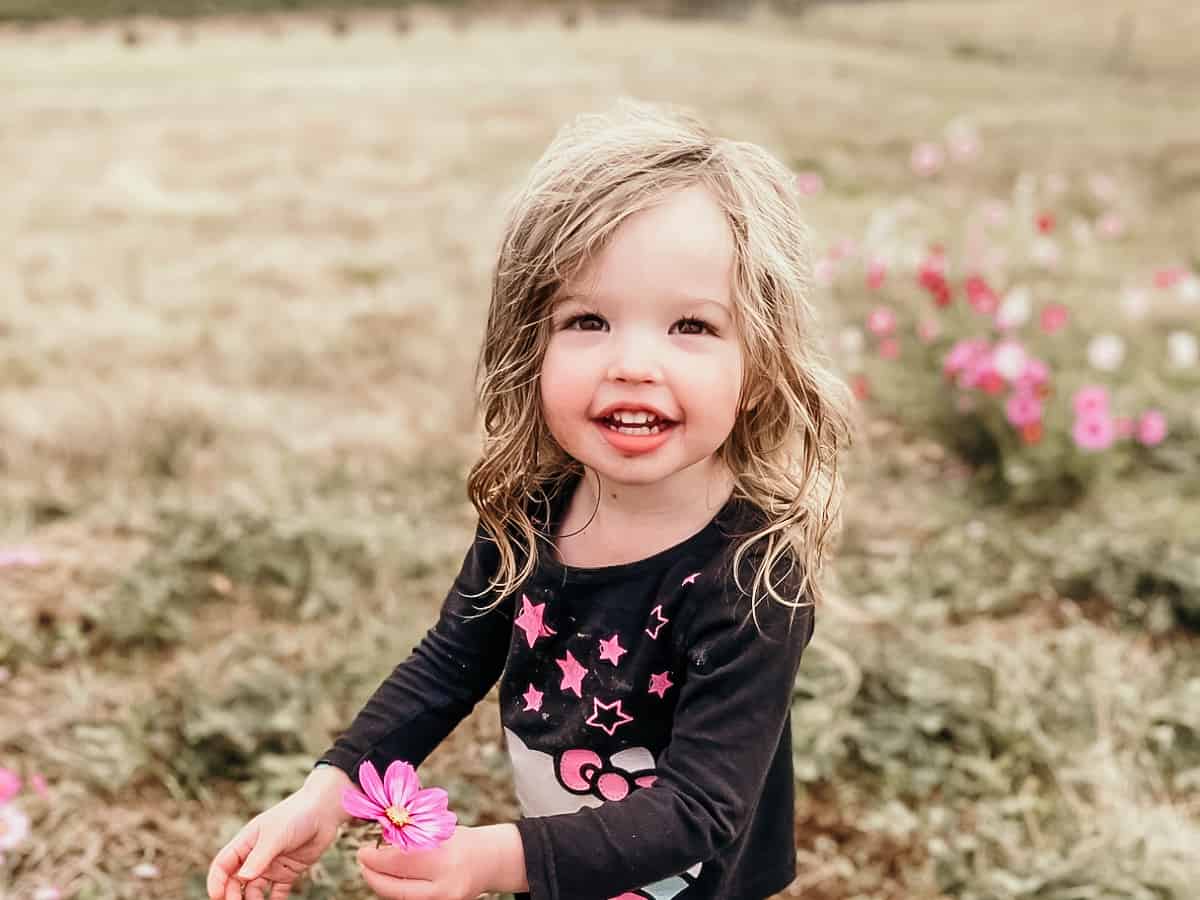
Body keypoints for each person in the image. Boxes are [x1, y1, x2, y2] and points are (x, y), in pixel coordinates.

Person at [207, 98, 854, 900]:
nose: (633, 363)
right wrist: (329, 793)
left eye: (690, 325)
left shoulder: (754, 575)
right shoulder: (533, 510)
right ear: (531, 347)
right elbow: (450, 661)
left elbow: (698, 809)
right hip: (562, 872)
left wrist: (492, 859)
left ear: (759, 368)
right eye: (589, 320)